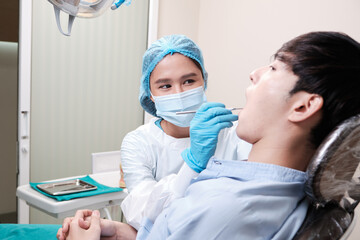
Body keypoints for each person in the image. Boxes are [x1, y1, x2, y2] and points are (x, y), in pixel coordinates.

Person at [58, 31, 360, 239]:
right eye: (165, 86)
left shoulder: (228, 205)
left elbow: (207, 219)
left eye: (273, 67)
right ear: (149, 93)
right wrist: (126, 233)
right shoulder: (264, 187)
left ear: (304, 105)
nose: (253, 73)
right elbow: (174, 224)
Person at [119, 34, 251, 229]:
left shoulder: (234, 132)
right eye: (165, 86)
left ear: (204, 81)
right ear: (151, 94)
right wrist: (193, 163)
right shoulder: (138, 142)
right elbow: (144, 215)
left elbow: (249, 201)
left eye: (189, 81)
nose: (179, 93)